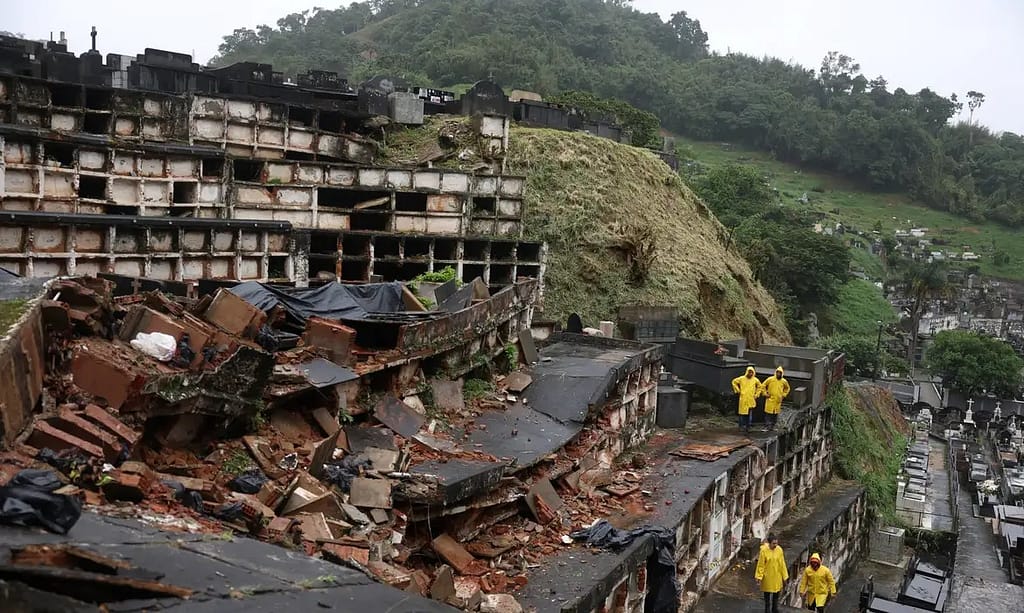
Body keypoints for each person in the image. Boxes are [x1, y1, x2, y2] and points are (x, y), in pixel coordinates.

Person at [755, 533, 788, 613]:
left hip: (777, 576)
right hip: (768, 576)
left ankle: (774, 608)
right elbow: (761, 565)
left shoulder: (779, 550)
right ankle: (767, 609)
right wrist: (759, 577)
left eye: (776, 543)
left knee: (776, 594)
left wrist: (785, 576)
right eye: (774, 543)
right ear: (769, 543)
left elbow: (782, 563)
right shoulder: (764, 551)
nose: (775, 545)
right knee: (767, 594)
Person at [732, 366, 761, 435]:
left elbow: (760, 387)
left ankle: (748, 426)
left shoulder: (755, 380)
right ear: (747, 372)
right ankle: (741, 426)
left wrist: (756, 395)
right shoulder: (742, 378)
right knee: (742, 414)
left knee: (749, 414)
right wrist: (738, 390)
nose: (750, 373)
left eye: (752, 372)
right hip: (743, 399)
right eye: (749, 372)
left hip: (751, 399)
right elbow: (734, 382)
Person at [761, 366, 790, 431]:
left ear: (782, 373)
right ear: (775, 372)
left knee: (775, 414)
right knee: (768, 414)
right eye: (777, 372)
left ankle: (773, 426)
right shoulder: (770, 379)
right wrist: (765, 394)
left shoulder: (784, 381)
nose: (778, 374)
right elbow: (762, 386)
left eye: (780, 373)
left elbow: (787, 388)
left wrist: (783, 395)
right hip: (770, 399)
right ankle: (767, 426)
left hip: (778, 400)